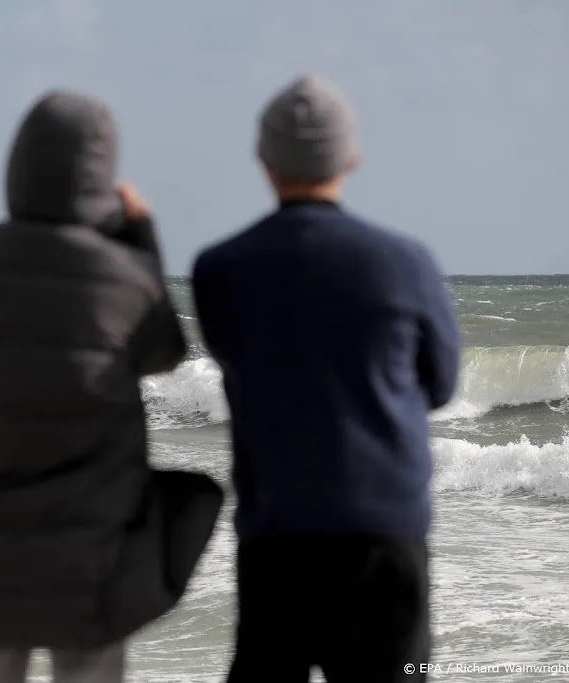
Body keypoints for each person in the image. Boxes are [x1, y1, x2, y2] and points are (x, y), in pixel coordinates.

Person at [0, 89, 223, 683]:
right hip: (91, 545)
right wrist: (140, 236)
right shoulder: (120, 272)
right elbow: (164, 354)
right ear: (101, 176)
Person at [191, 74, 461, 682]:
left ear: (264, 160)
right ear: (351, 157)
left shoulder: (221, 268)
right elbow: (440, 385)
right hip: (385, 530)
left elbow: (233, 355)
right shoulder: (407, 262)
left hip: (277, 531)